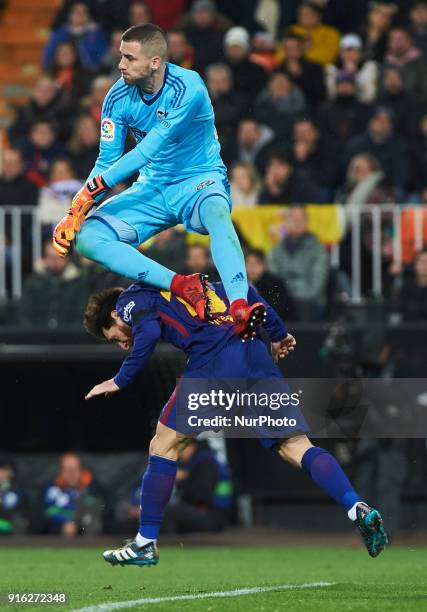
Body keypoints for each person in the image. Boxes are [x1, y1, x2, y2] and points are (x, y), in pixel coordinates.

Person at [83, 282, 388, 565]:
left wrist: (119, 380)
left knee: (162, 445)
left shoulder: (128, 300)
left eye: (115, 337)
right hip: (253, 352)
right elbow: (245, 290)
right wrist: (278, 333)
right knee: (295, 446)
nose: (123, 344)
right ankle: (355, 506)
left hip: (212, 360)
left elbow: (147, 333)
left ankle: (145, 541)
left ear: (114, 314)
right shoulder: (194, 284)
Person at [52, 24, 266, 340]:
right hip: (153, 188)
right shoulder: (116, 97)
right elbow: (106, 160)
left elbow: (148, 149)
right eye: (120, 57)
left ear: (155, 61)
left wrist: (86, 195)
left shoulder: (188, 87)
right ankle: (183, 285)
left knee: (218, 215)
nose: (121, 65)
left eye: (129, 58)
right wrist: (77, 211)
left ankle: (238, 306)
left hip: (199, 180)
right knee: (87, 238)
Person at [268, 206, 329, 320]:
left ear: (307, 222)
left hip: (309, 303)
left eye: (301, 219)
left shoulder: (318, 249)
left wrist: (292, 296)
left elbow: (317, 284)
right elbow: (273, 277)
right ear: (286, 222)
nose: (297, 222)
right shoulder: (276, 249)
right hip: (283, 302)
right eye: (292, 218)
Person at [162, 439, 232, 533]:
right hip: (207, 512)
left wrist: (183, 479)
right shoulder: (203, 459)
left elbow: (204, 496)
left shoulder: (206, 462)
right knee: (168, 524)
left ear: (191, 447)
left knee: (162, 511)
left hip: (213, 516)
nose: (178, 454)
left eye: (180, 449)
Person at [20, 240, 89, 328]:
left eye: (60, 257)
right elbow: (25, 313)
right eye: (51, 257)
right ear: (44, 258)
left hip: (70, 336)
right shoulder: (32, 283)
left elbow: (81, 315)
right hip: (37, 336)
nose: (55, 262)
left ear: (68, 258)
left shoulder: (79, 283)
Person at [42, 452, 102, 536]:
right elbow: (39, 521)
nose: (71, 473)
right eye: (66, 469)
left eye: (75, 468)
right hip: (53, 540)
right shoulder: (48, 491)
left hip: (87, 541)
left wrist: (77, 527)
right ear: (60, 471)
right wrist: (60, 527)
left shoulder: (94, 491)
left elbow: (103, 521)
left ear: (82, 470)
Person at [43, 1, 108, 70]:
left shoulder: (97, 34)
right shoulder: (59, 34)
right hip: (62, 72)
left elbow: (102, 57)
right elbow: (49, 57)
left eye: (84, 12)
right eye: (76, 12)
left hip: (90, 72)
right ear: (69, 14)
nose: (79, 15)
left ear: (89, 15)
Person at [245, 248, 297, 322]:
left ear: (265, 265)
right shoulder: (240, 285)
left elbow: (277, 311)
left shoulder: (276, 285)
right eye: (248, 263)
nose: (252, 267)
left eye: (257, 263)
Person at [325, 33, 379, 103]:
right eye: (347, 51)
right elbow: (331, 95)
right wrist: (344, 75)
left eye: (354, 51)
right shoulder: (331, 70)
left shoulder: (369, 68)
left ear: (360, 54)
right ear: (341, 54)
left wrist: (355, 76)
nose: (350, 55)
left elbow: (369, 97)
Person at [258, 151, 326, 205]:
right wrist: (272, 190)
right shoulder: (267, 189)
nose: (275, 170)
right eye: (272, 166)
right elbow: (263, 214)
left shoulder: (302, 185)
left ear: (290, 168)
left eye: (280, 165)